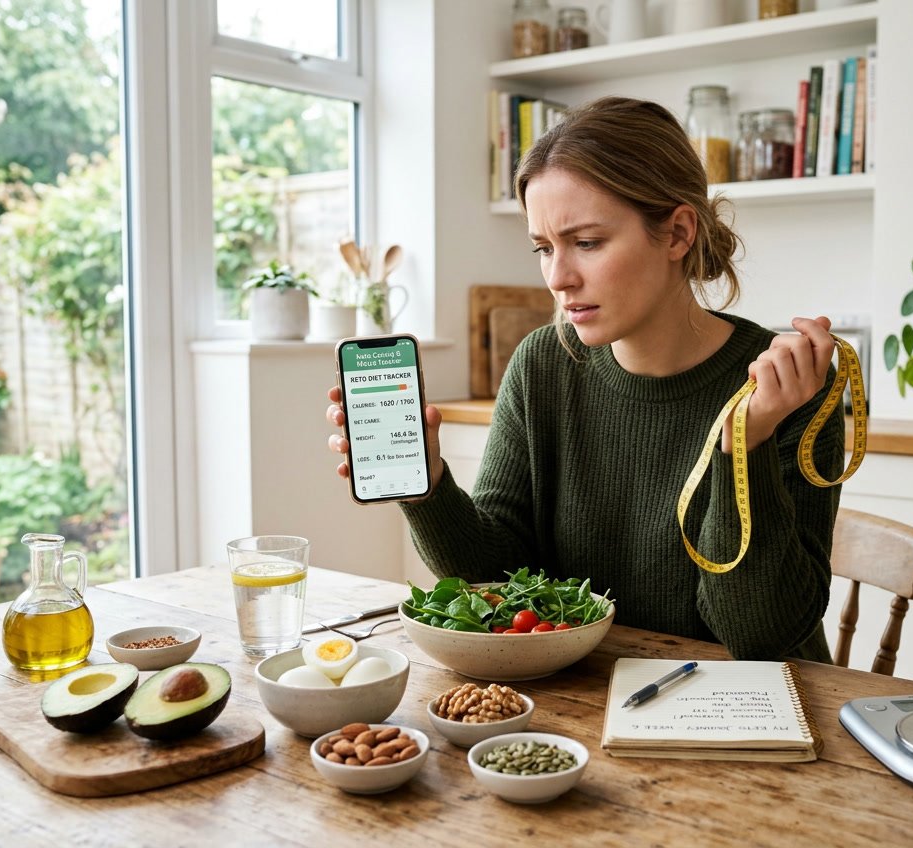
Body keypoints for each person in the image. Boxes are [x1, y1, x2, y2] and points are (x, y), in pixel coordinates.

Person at [327, 96, 844, 662]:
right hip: (586, 696)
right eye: (544, 248)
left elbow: (759, 635)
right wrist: (427, 487)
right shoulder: (542, 365)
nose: (557, 276)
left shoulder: (790, 385)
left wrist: (743, 443)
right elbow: (498, 576)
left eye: (587, 243)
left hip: (750, 713)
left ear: (676, 234)